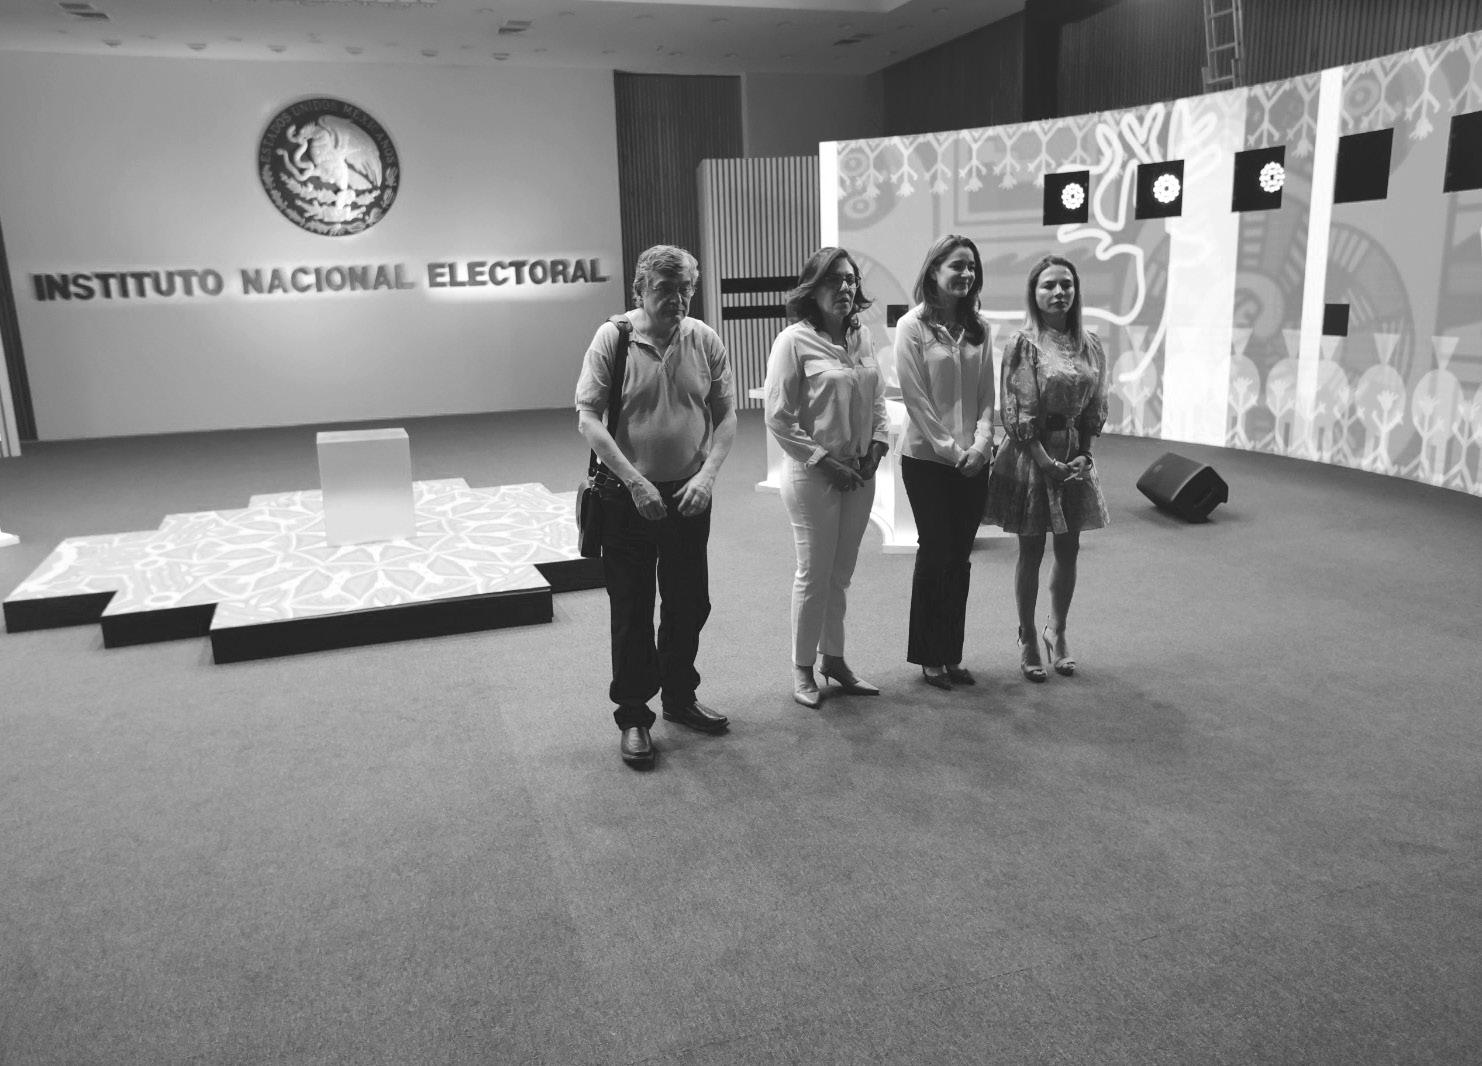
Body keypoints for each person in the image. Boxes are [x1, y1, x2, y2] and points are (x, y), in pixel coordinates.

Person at [575, 244, 737, 770]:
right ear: (640, 289)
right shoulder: (614, 338)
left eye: (686, 289)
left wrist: (707, 477)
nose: (678, 299)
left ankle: (679, 697)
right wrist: (636, 483)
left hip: (690, 496)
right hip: (627, 498)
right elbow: (588, 418)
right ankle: (634, 715)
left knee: (690, 603)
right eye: (666, 289)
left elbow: (727, 415)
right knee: (632, 609)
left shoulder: (704, 339)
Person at [764, 247, 889, 708]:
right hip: (812, 476)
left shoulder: (862, 336)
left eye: (851, 279)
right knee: (814, 575)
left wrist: (877, 446)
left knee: (840, 575)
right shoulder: (793, 341)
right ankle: (802, 668)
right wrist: (824, 461)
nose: (845, 288)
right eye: (834, 280)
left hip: (859, 473)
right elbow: (778, 417)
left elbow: (878, 399)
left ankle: (833, 660)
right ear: (812, 289)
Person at [983, 254, 1109, 681]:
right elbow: (1016, 410)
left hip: (1074, 454)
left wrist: (1085, 453)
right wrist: (1046, 462)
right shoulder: (1023, 343)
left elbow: (1096, 404)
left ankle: (1058, 630)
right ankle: (1027, 637)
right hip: (1032, 454)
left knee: (1069, 549)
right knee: (1031, 550)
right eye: (1049, 285)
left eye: (1066, 285)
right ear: (1034, 293)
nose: (1059, 292)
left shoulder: (1091, 344)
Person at [894, 235, 995, 691]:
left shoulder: (980, 328)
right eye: (957, 265)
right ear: (934, 271)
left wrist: (982, 444)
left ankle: (951, 653)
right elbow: (916, 400)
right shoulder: (911, 327)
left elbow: (987, 396)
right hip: (927, 460)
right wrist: (955, 452)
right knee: (935, 552)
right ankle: (928, 655)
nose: (966, 274)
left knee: (960, 557)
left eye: (972, 266)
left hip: (974, 460)